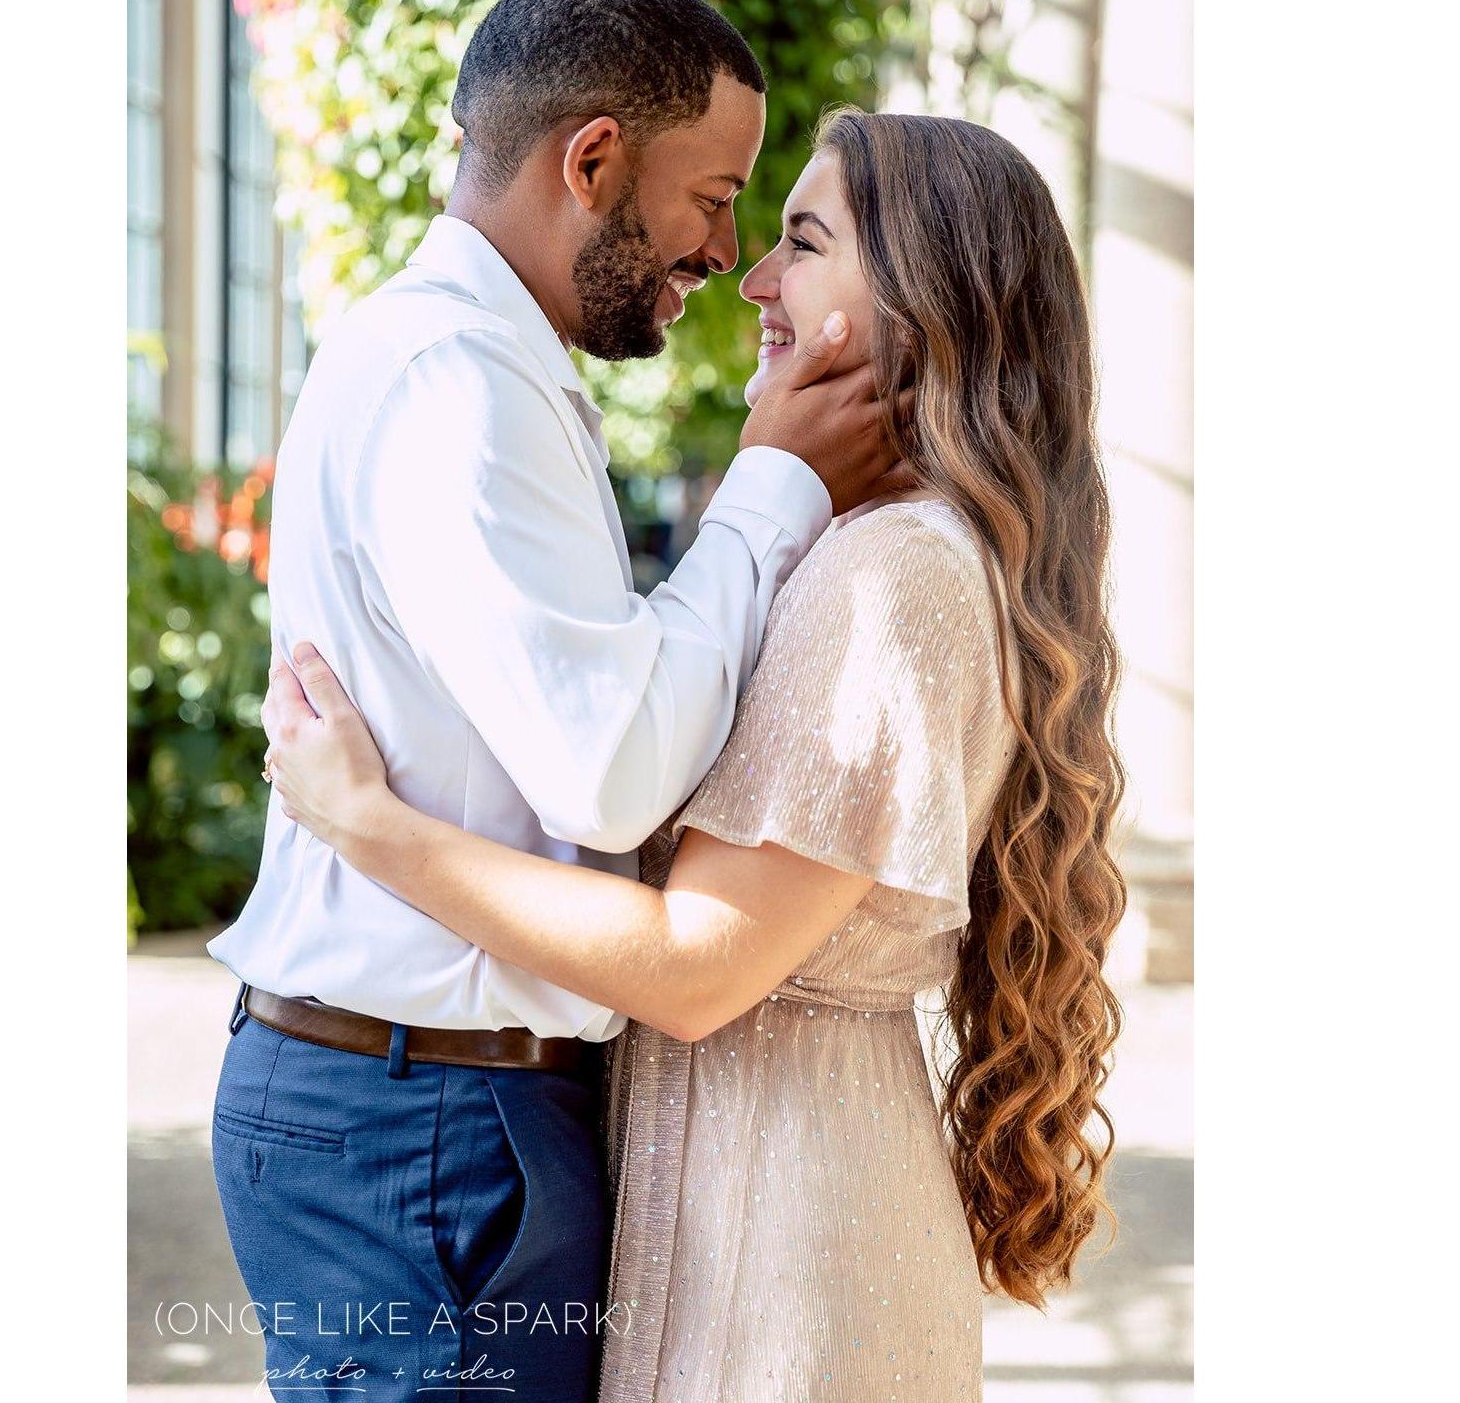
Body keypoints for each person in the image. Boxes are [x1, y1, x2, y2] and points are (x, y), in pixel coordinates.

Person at [260, 109, 1130, 1402]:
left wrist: (370, 827)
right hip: (764, 1208)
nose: (756, 279)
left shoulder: (892, 575)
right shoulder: (876, 552)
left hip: (787, 1259)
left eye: (804, 243)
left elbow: (694, 965)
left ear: (922, 304)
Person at [204, 0, 906, 1403]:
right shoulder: (456, 380)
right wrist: (771, 485)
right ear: (592, 162)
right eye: (713, 199)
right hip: (424, 1120)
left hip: (440, 1102)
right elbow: (609, 766)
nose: (726, 256)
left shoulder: (481, 363)